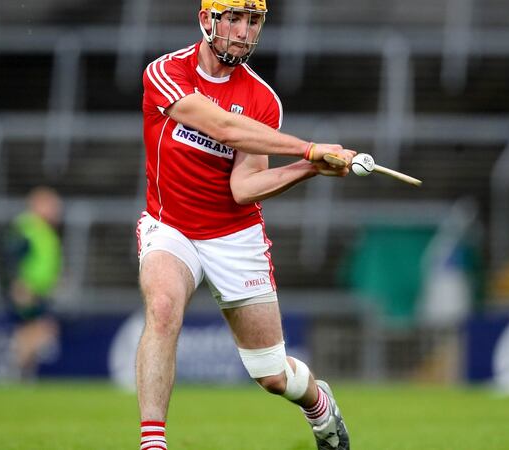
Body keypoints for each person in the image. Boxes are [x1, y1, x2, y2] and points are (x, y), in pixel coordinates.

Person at [136, 1, 354, 449]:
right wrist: (309, 149)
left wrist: (310, 169)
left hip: (234, 236)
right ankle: (152, 444)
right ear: (205, 20)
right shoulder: (165, 73)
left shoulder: (262, 99)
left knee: (272, 375)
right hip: (169, 225)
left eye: (253, 20)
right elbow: (222, 127)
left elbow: (243, 188)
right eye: (233, 18)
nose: (243, 30)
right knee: (162, 310)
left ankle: (318, 404)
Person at [3, 186, 63, 380]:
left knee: (32, 332)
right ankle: (13, 370)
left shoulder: (43, 230)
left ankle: (23, 373)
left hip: (39, 290)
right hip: (27, 289)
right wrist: (18, 284)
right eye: (51, 205)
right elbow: (12, 256)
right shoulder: (28, 228)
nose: (56, 210)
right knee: (35, 331)